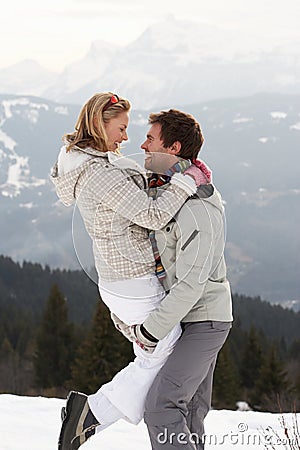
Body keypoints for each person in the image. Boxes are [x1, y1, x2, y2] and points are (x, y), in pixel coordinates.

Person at [51, 92, 208, 450]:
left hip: (124, 280)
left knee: (153, 353)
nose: (125, 137)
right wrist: (188, 181)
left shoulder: (102, 165)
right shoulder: (97, 174)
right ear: (99, 125)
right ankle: (91, 413)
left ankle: (91, 415)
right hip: (132, 280)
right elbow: (151, 215)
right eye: (120, 128)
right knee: (165, 350)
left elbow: (140, 198)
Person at [114, 109, 233, 450]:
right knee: (191, 411)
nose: (142, 145)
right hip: (188, 318)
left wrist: (150, 330)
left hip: (204, 320)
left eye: (151, 139)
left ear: (175, 148)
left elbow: (191, 285)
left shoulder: (197, 207)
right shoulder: (170, 192)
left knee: (162, 407)